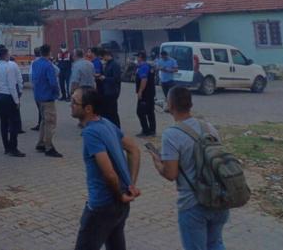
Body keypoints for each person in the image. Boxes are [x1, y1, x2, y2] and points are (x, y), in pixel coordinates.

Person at [148, 86, 229, 250]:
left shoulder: (171, 134)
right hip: (219, 197)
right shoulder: (209, 128)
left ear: (170, 105)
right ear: (190, 104)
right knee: (215, 244)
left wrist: (157, 162)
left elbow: (171, 174)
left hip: (193, 204)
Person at [70, 87, 141, 250]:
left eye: (74, 101)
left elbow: (109, 174)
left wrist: (121, 195)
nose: (70, 104)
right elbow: (134, 150)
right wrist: (130, 185)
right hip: (119, 208)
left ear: (88, 108)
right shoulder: (106, 123)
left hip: (102, 206)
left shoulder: (91, 133)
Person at [0, 46, 25, 157]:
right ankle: (13, 147)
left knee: (3, 122)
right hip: (8, 96)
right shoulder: (11, 66)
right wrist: (17, 100)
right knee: (13, 122)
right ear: (5, 55)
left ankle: (6, 147)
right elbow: (12, 85)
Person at [31, 44, 62, 157]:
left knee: (44, 121)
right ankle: (48, 147)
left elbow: (33, 78)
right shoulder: (49, 65)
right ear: (49, 52)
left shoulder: (35, 63)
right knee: (50, 122)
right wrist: (57, 93)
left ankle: (41, 142)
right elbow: (53, 82)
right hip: (48, 96)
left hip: (38, 96)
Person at [98, 48, 122, 128]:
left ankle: (117, 127)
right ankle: (110, 127)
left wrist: (105, 78)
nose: (103, 58)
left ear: (108, 55)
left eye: (104, 56)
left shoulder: (114, 65)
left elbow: (117, 79)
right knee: (107, 112)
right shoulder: (108, 64)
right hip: (107, 91)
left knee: (113, 112)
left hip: (113, 91)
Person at [134, 51, 156, 137]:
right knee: (150, 111)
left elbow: (144, 80)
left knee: (140, 112)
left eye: (137, 57)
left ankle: (146, 131)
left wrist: (140, 91)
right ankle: (152, 130)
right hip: (150, 93)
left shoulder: (143, 67)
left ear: (140, 57)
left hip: (145, 94)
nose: (136, 59)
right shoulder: (148, 66)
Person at [30, 46, 42, 131]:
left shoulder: (33, 62)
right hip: (45, 88)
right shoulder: (46, 61)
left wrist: (32, 84)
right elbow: (57, 70)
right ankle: (42, 123)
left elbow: (31, 74)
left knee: (40, 107)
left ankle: (40, 123)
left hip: (37, 88)